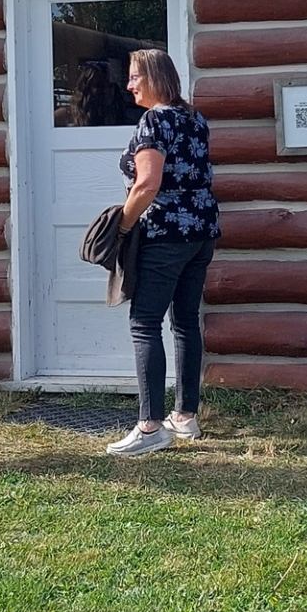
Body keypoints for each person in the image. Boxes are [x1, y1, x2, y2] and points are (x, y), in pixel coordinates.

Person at [106, 48, 221, 458]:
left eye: (135, 76)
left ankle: (150, 425)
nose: (130, 84)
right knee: (186, 321)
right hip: (201, 233)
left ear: (155, 77)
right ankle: (185, 417)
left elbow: (147, 183)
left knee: (144, 322)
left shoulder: (154, 120)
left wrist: (122, 224)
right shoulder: (195, 118)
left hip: (165, 234)